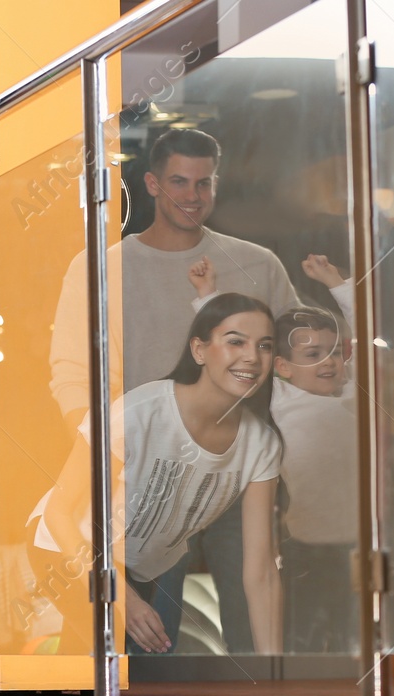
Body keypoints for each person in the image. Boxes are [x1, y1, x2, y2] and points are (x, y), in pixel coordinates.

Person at [48, 129, 298, 653]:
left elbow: (291, 360)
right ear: (152, 184)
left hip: (235, 469)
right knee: (149, 652)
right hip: (147, 481)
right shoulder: (99, 267)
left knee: (256, 627)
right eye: (179, 182)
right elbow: (71, 373)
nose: (193, 195)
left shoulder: (259, 264)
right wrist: (106, 452)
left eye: (204, 183)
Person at [41, 293, 284, 655]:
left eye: (264, 345)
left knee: (143, 671)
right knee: (106, 664)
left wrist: (274, 669)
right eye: (235, 341)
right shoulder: (139, 412)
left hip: (147, 565)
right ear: (199, 350)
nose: (252, 356)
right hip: (69, 550)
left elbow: (261, 571)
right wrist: (124, 600)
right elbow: (58, 513)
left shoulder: (262, 444)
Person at [192, 256, 357, 653]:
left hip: (359, 547)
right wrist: (205, 296)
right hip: (305, 548)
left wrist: (337, 283)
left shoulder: (356, 393)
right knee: (305, 640)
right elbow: (228, 353)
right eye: (312, 354)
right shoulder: (278, 400)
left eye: (333, 352)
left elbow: (368, 332)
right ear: (282, 366)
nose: (328, 361)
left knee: (353, 640)